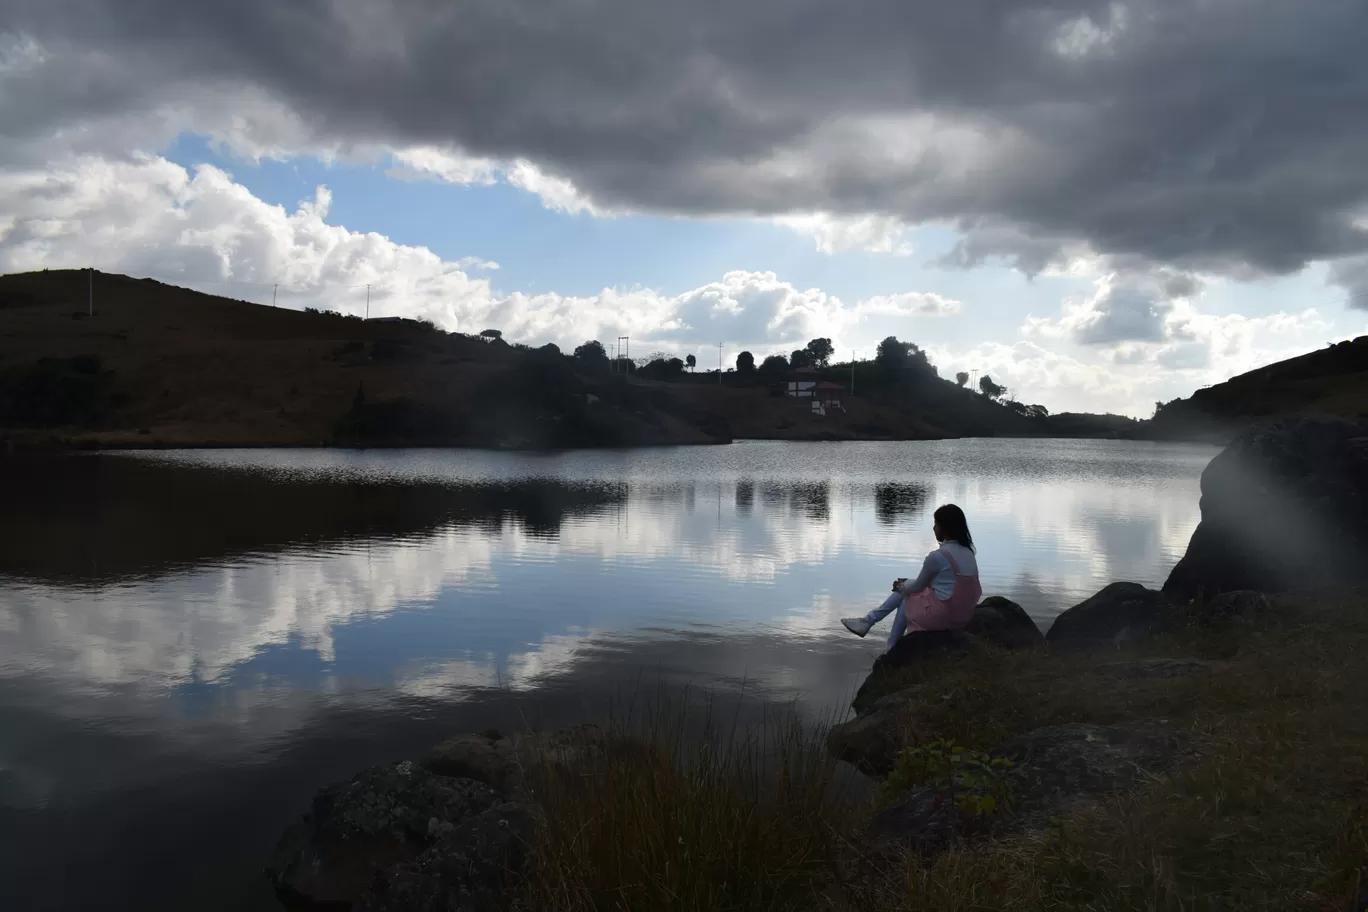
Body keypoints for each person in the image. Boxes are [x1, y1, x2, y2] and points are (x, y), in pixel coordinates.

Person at [841, 503, 982, 650]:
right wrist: (905, 584)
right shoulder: (968, 553)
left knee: (905, 596)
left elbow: (917, 587)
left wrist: (901, 586)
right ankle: (871, 625)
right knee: (907, 589)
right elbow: (938, 585)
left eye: (936, 524)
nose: (933, 528)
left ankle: (887, 643)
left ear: (945, 528)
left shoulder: (938, 557)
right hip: (962, 616)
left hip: (945, 617)